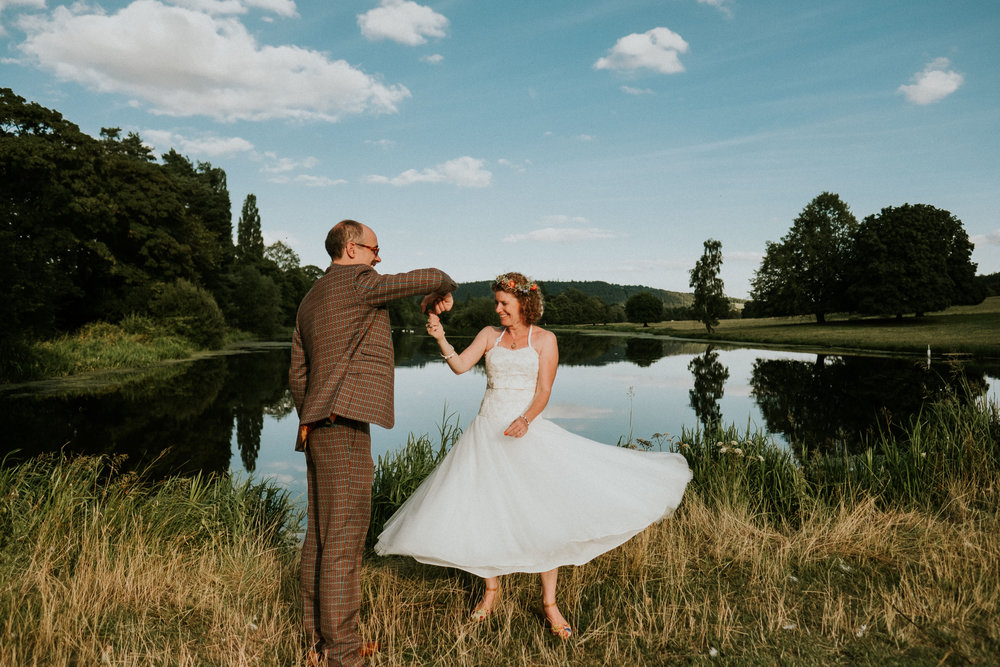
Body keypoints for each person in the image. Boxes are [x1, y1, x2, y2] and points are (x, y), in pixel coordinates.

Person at [374, 272, 692, 639]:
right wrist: (441, 337)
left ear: (524, 305)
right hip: (485, 434)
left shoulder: (545, 340)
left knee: (544, 513)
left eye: (504, 304)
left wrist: (526, 419)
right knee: (485, 510)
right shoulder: (488, 335)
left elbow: (543, 391)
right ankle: (490, 592)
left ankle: (549, 604)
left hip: (525, 432)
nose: (498, 309)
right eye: (496, 303)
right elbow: (461, 366)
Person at [289, 219, 456, 667]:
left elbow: (298, 374)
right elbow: (433, 277)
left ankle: (318, 645)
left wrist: (310, 415)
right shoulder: (359, 281)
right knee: (343, 542)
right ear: (351, 248)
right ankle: (344, 655)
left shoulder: (310, 298)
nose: (379, 257)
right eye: (375, 248)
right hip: (344, 424)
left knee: (320, 539)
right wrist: (438, 292)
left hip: (318, 424)